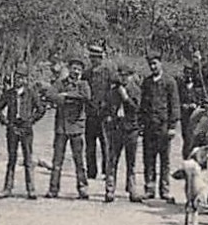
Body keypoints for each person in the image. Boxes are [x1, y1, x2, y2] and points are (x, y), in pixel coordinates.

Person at [0, 64, 44, 199]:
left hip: (26, 129)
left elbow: (40, 109)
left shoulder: (31, 93)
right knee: (12, 159)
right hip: (12, 129)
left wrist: (31, 121)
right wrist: (6, 123)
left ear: (25, 79)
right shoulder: (9, 94)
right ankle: (7, 188)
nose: (17, 80)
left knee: (28, 159)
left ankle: (31, 189)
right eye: (16, 77)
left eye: (21, 78)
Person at [139, 54, 181, 202]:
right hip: (149, 127)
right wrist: (141, 125)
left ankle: (165, 190)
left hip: (163, 127)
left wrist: (172, 126)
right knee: (148, 159)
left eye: (155, 64)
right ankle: (149, 189)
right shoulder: (146, 82)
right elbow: (142, 105)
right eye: (150, 64)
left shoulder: (170, 82)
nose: (153, 67)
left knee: (165, 160)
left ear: (161, 63)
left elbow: (175, 105)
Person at [49, 57, 90, 199]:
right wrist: (64, 97)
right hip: (61, 127)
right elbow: (51, 95)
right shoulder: (61, 83)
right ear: (69, 69)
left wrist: (66, 95)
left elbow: (86, 96)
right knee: (57, 160)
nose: (76, 71)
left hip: (76, 127)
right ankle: (53, 188)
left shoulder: (83, 84)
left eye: (79, 69)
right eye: (74, 68)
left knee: (79, 160)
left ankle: (82, 188)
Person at [101, 67, 142, 203]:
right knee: (112, 160)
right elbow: (105, 108)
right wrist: (107, 117)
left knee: (131, 162)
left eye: (127, 76)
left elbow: (136, 109)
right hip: (116, 129)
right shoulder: (112, 92)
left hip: (131, 129)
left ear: (131, 77)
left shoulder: (135, 91)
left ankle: (132, 190)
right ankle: (110, 190)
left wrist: (126, 97)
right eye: (121, 75)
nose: (124, 78)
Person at [82, 41, 111, 183]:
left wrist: (108, 106)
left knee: (105, 143)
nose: (94, 60)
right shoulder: (86, 74)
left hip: (104, 114)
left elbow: (113, 90)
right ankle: (91, 171)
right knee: (90, 144)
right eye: (92, 57)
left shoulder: (108, 73)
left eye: (96, 57)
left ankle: (107, 171)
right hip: (90, 114)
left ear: (101, 58)